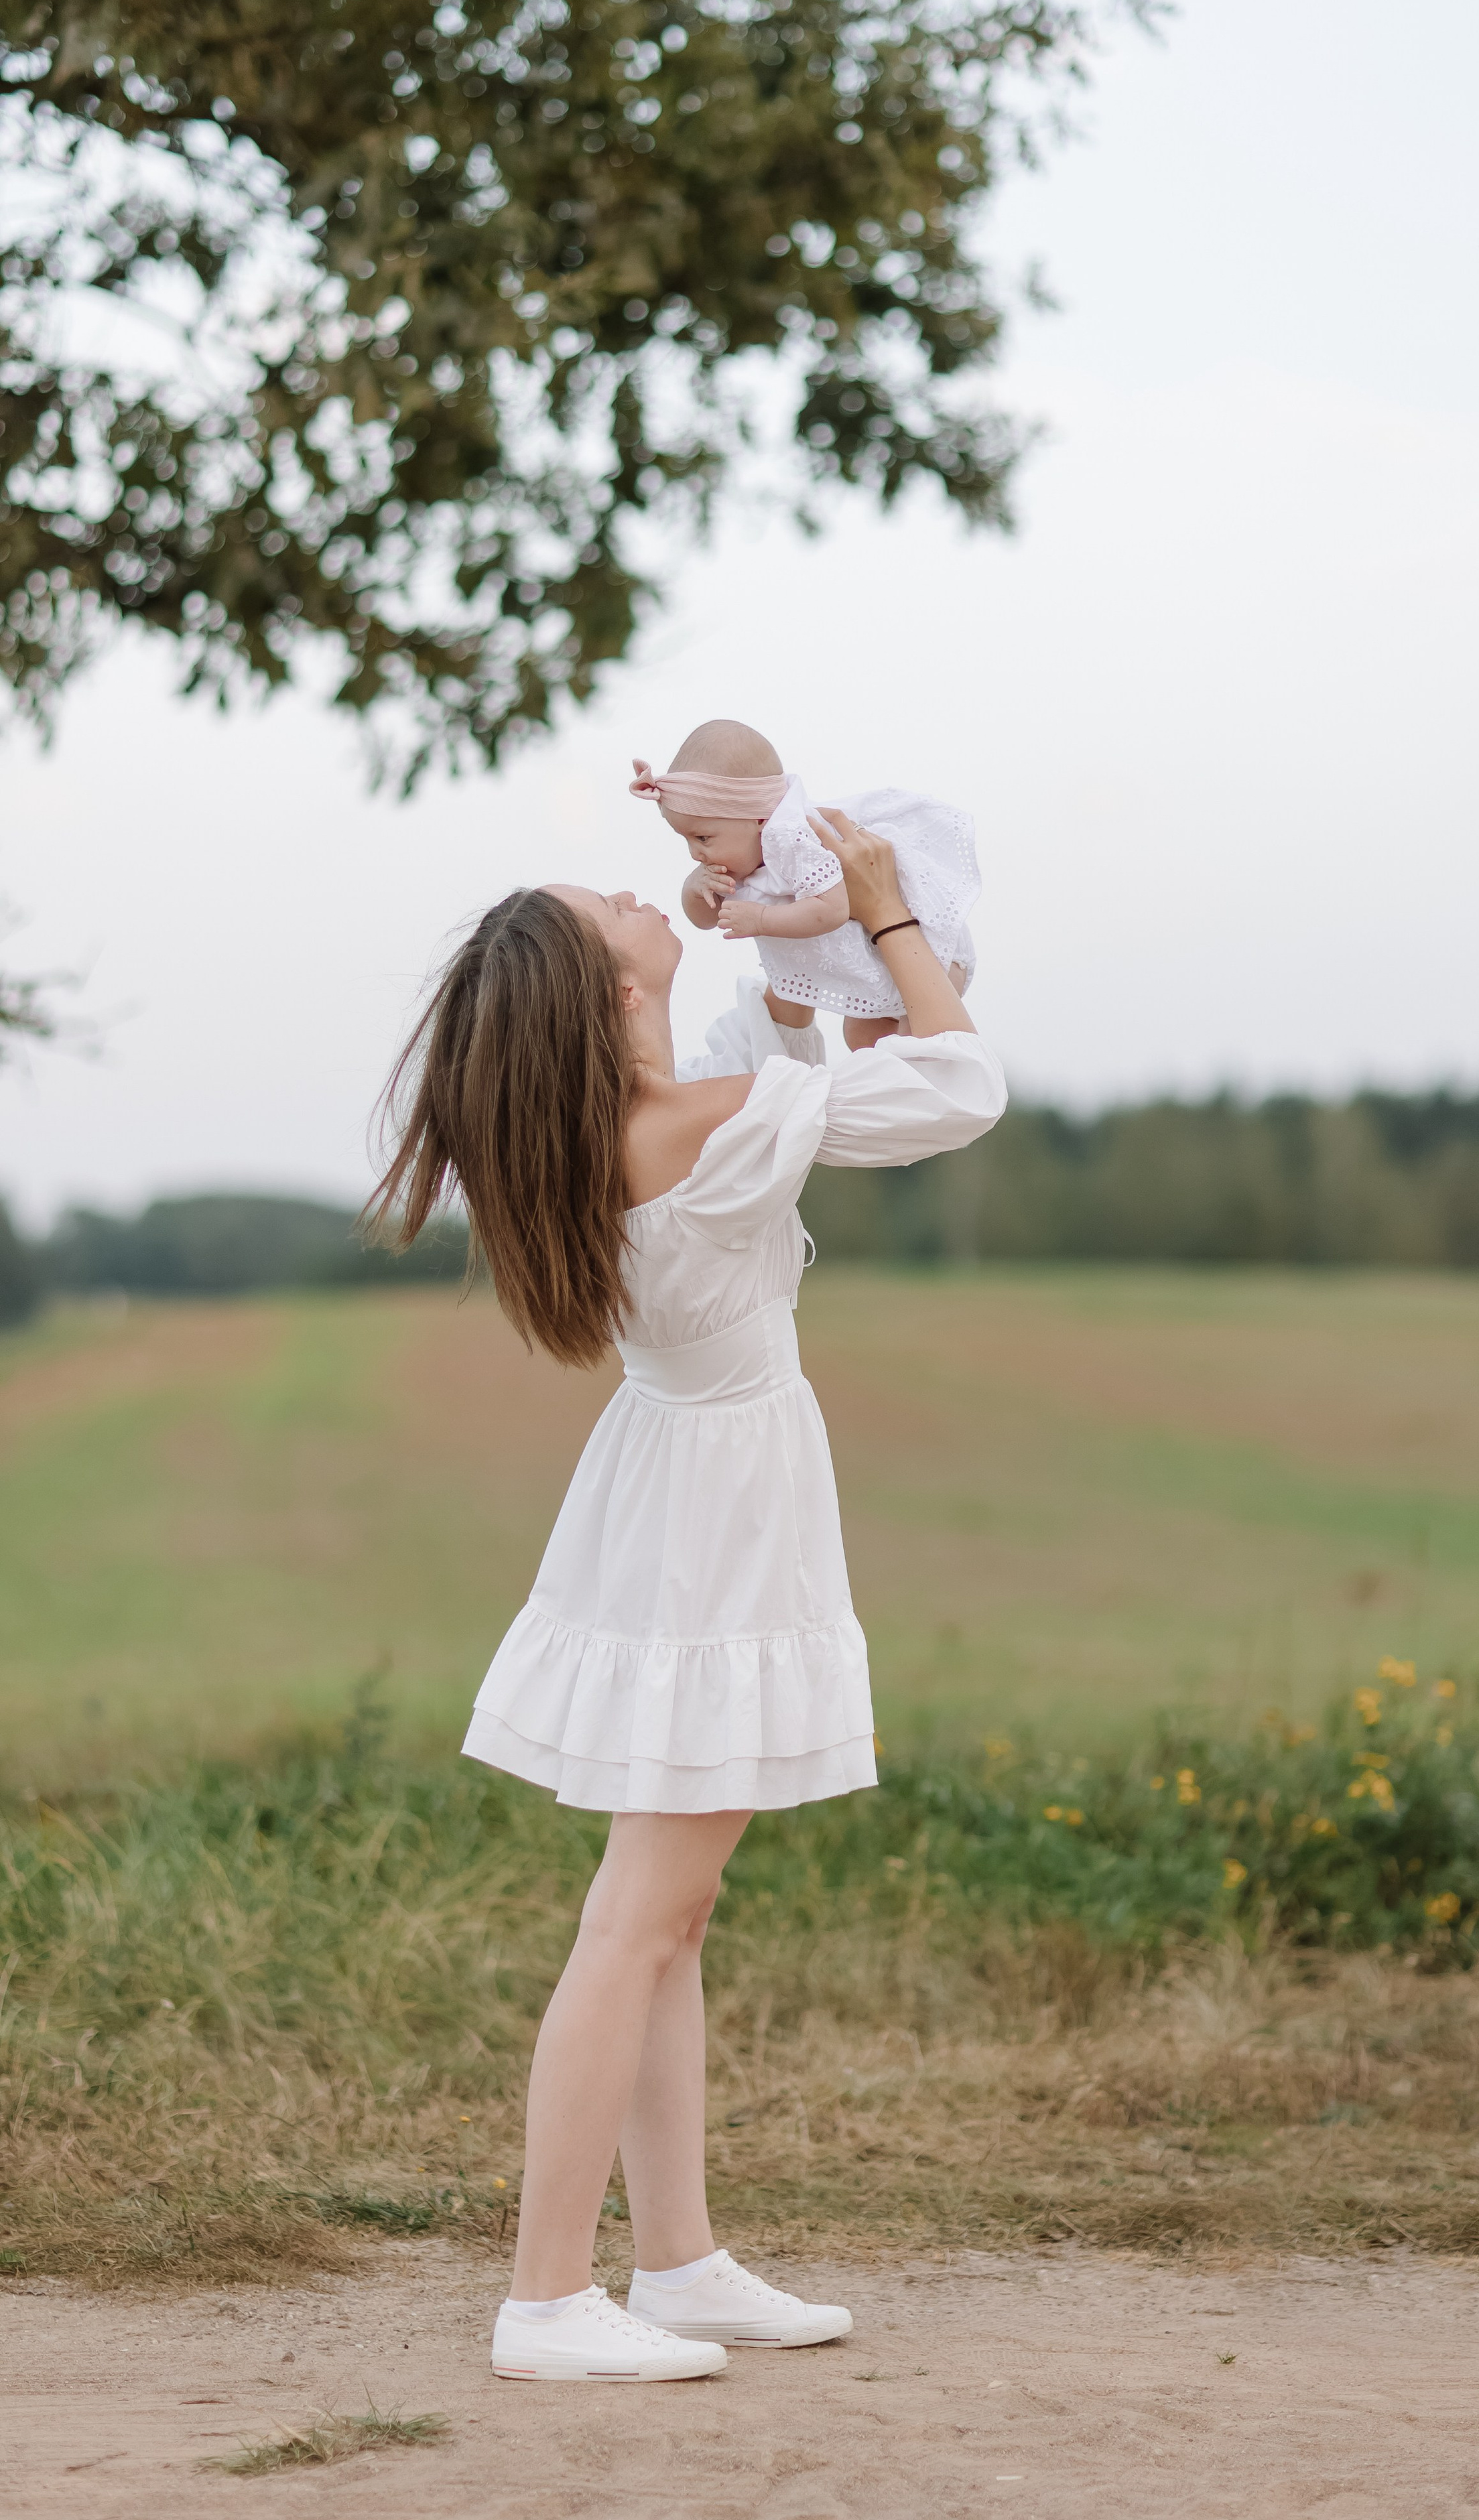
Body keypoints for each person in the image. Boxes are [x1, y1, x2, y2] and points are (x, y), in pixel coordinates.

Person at [368, 809, 1005, 2384]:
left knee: (671, 1913)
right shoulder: (684, 1128)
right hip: (714, 1513)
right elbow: (953, 1083)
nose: (620, 884)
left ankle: (676, 2260)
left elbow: (761, 1053)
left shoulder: (655, 1113)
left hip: (683, 1493)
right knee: (640, 1916)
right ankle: (544, 2296)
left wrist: (772, 939)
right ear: (600, 996)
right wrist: (882, 916)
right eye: (602, 904)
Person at [633, 717, 978, 1053]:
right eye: (688, 840)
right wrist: (693, 890)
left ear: (758, 818)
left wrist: (761, 921)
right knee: (863, 1039)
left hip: (929, 952)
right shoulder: (747, 860)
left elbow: (832, 909)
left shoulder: (794, 840)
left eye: (703, 837)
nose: (696, 853)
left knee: (922, 1054)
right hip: (880, 967)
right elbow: (707, 920)